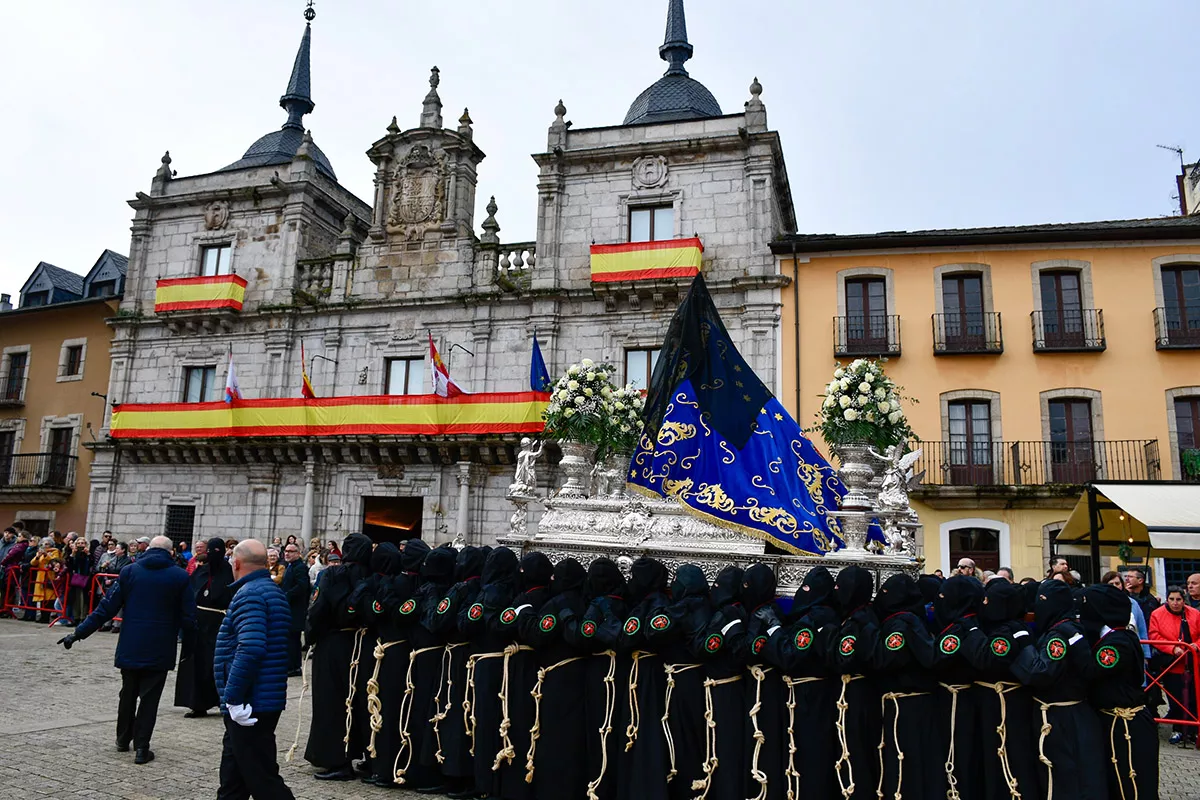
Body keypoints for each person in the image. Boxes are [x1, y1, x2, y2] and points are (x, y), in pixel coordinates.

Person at [58, 535, 195, 764]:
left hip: (131, 643)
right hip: (160, 646)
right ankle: (142, 748)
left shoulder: (130, 572)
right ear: (171, 553)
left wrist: (78, 633)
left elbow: (106, 609)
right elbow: (188, 618)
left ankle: (122, 739)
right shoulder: (179, 576)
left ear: (148, 549)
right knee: (150, 699)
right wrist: (190, 648)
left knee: (128, 693)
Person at [1011, 580, 1108, 800]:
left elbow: (1042, 673)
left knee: (1066, 778)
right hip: (1069, 714)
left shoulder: (1059, 634)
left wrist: (1024, 646)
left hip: (1063, 718)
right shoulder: (1068, 627)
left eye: (1043, 601)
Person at [214, 539, 295, 800]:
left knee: (262, 779)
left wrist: (234, 698)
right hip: (259, 697)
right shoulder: (269, 590)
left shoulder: (251, 594)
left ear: (236, 563)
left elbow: (251, 647)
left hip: (251, 702)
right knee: (233, 778)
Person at [1078, 584, 1159, 799]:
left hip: (1124, 723)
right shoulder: (1113, 637)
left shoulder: (1117, 643)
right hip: (1114, 721)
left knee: (1129, 783)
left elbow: (1090, 671)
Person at [304, 532, 372, 780]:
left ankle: (337, 760)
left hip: (334, 644)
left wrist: (311, 637)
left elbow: (318, 609)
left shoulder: (333, 575)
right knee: (361, 702)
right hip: (364, 645)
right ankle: (368, 755)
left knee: (331, 702)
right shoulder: (372, 576)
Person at [175, 537, 234, 718]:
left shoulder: (229, 572)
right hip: (198, 624)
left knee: (216, 664)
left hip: (218, 624)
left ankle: (221, 700)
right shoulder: (201, 572)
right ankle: (197, 703)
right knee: (196, 664)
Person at [1149, 585, 1200, 745]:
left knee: (1193, 699)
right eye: (1172, 599)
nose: (1175, 603)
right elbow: (1154, 635)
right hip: (1171, 664)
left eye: (1178, 599)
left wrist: (1196, 646)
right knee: (1176, 699)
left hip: (1193, 664)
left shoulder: (1195, 614)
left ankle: (1194, 732)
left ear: (1184, 600)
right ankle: (1178, 729)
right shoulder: (1157, 614)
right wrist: (1172, 647)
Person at [279, 540, 310, 676]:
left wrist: (287, 595)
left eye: (290, 551)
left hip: (296, 609)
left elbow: (302, 586)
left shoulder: (300, 567)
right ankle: (290, 665)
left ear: (298, 554)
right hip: (289, 608)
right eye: (285, 551)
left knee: (293, 639)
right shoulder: (290, 566)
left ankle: (294, 667)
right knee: (290, 638)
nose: (287, 554)